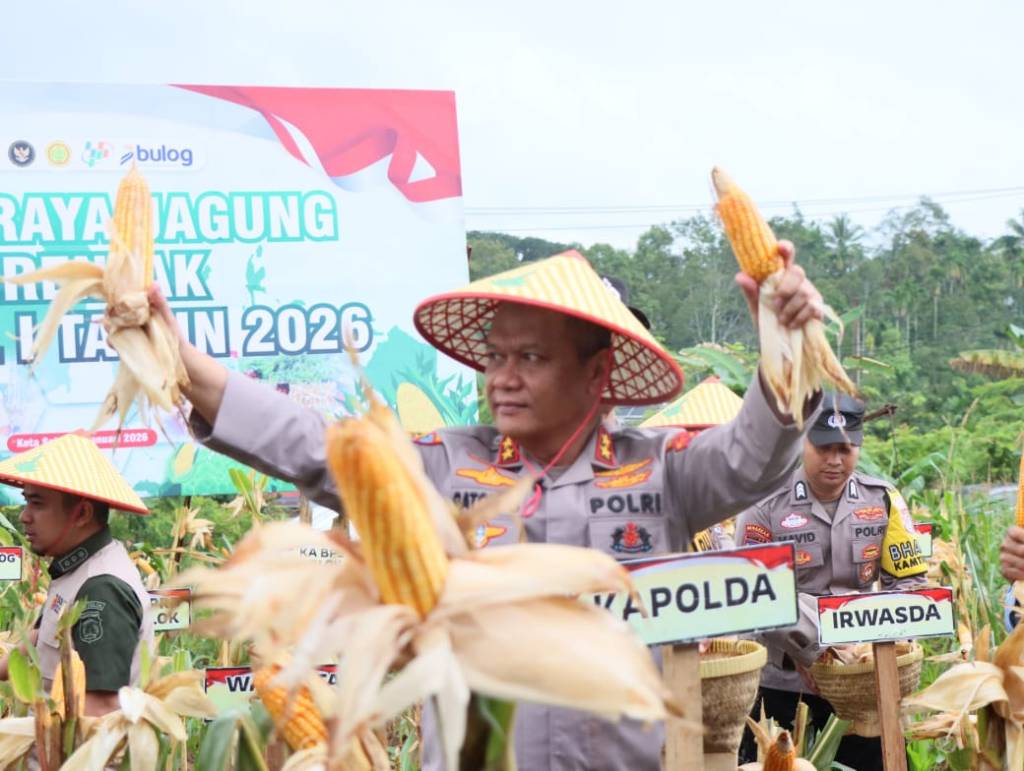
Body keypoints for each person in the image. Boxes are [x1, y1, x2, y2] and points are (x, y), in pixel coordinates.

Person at [151, 244, 826, 771]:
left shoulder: (664, 469)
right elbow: (314, 447)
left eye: (532, 356)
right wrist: (179, 357)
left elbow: (752, 455)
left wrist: (787, 346)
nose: (503, 376)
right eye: (497, 355)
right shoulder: (443, 466)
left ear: (598, 375)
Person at [735, 393, 927, 771]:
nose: (835, 460)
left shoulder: (882, 500)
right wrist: (811, 652)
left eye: (846, 448)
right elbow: (750, 592)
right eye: (823, 448)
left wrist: (886, 647)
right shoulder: (765, 504)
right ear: (801, 442)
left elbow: (910, 583)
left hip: (864, 683)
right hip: (783, 685)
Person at [0, 433, 153, 716]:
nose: (24, 516)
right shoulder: (75, 571)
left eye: (37, 503)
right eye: (26, 501)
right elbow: (41, 636)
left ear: (81, 514)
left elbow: (98, 709)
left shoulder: (102, 589)